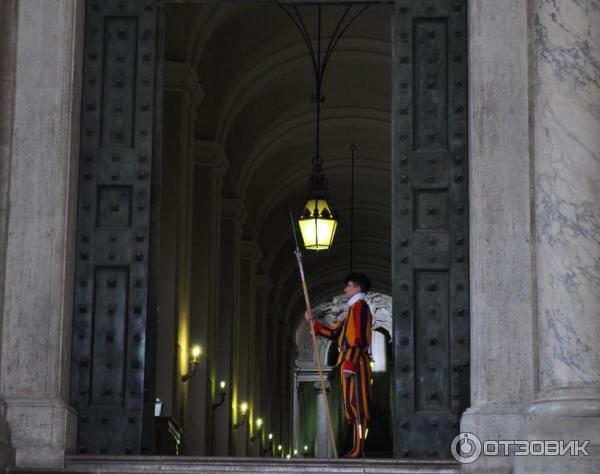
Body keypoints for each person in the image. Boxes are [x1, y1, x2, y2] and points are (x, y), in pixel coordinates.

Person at [305, 272, 373, 458]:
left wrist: (350, 362)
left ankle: (359, 448)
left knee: (358, 406)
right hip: (349, 362)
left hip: (355, 362)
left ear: (357, 288)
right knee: (352, 407)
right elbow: (335, 333)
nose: (345, 289)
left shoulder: (360, 307)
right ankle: (355, 447)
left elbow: (358, 338)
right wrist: (314, 324)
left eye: (349, 286)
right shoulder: (353, 310)